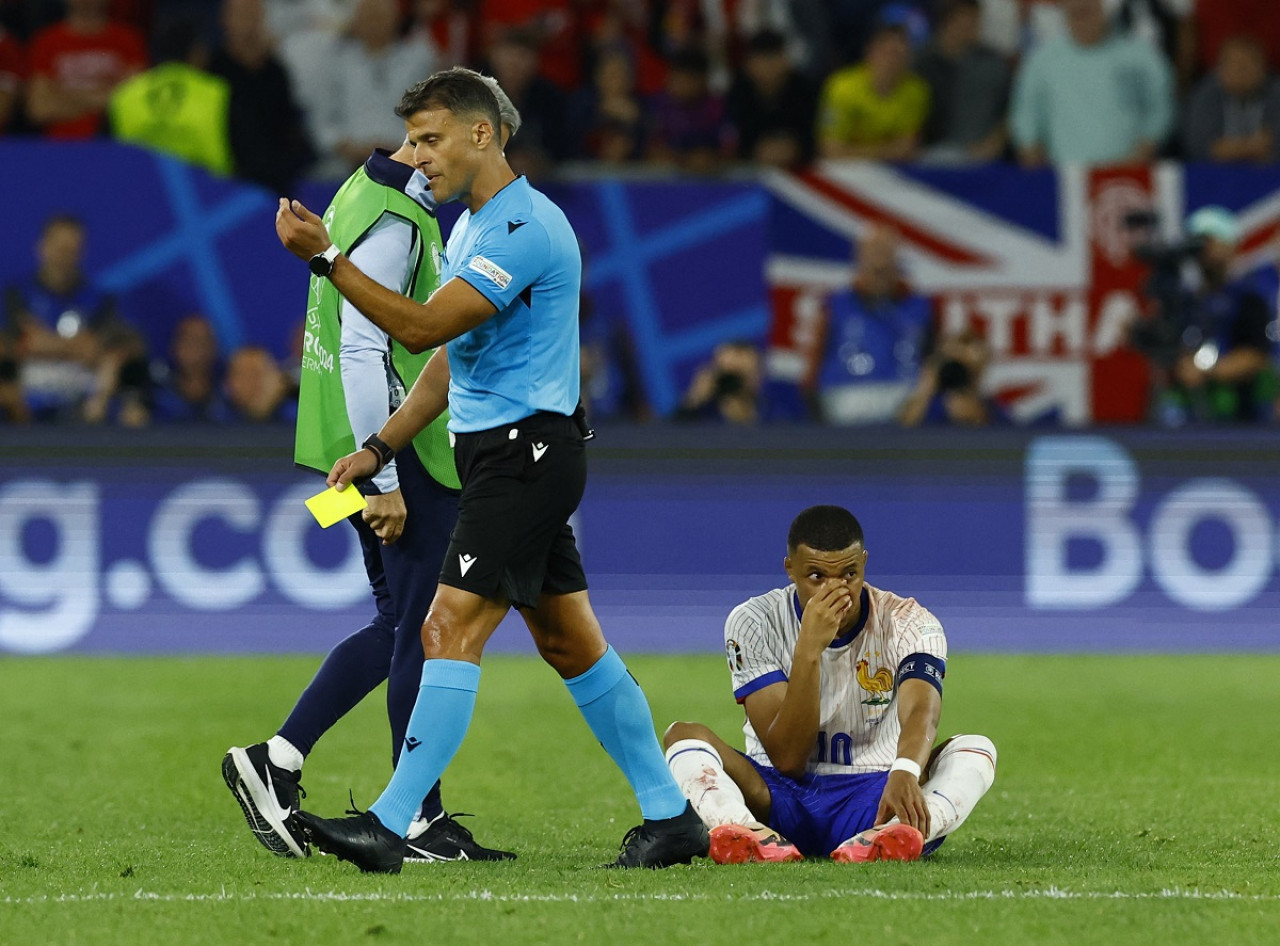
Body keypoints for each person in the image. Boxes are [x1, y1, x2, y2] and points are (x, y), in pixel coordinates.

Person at [273, 67, 709, 872]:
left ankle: (391, 824)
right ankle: (672, 818)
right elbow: (445, 359)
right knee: (572, 645)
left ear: (483, 133)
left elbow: (423, 324)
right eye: (412, 139)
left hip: (528, 456)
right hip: (503, 455)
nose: (417, 157)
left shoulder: (525, 228)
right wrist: (381, 448)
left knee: (444, 627)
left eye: (429, 139)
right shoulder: (472, 229)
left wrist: (329, 257)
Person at [223, 75, 524, 865]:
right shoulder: (398, 216)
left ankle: (276, 761)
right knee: (425, 631)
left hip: (347, 445)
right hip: (396, 452)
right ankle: (415, 819)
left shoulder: (360, 190)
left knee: (399, 626)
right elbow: (364, 348)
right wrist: (385, 482)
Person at [662, 505, 998, 864]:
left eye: (849, 574)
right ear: (790, 569)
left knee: (975, 748)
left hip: (876, 794)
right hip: (776, 795)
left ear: (865, 563)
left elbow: (921, 710)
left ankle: (897, 834)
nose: (837, 590)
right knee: (682, 734)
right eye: (817, 576)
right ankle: (747, 831)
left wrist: (905, 770)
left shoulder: (910, 621)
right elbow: (789, 758)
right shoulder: (753, 621)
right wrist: (808, 649)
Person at [2, 212, 146, 424]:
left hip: (86, 405)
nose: (64, 257)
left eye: (72, 250)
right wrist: (77, 345)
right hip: (25, 404)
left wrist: (43, 342)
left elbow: (100, 349)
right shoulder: (16, 295)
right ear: (42, 248)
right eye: (60, 249)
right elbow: (17, 345)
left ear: (82, 253)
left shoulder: (100, 300)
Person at [1010, 0, 1173, 167]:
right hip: (1065, 177)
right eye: (1075, 14)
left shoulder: (1141, 57)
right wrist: (1038, 169)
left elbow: (1160, 110)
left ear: (1103, 11)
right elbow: (1026, 119)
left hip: (1131, 174)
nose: (1082, 20)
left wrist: (1141, 155)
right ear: (1064, 16)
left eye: (1087, 12)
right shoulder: (1042, 62)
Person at [1163, 206, 1276, 424]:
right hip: (1188, 417)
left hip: (1238, 416)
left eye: (1210, 240)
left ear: (1229, 245)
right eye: (1197, 241)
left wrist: (1206, 371)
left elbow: (1256, 356)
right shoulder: (1185, 301)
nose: (1203, 249)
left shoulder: (1248, 298)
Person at [815, 225, 933, 426]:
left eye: (886, 252)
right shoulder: (835, 305)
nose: (879, 262)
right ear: (859, 257)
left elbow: (931, 360)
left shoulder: (920, 307)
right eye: (873, 252)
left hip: (904, 402)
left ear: (897, 258)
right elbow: (813, 367)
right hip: (844, 399)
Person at [25, 0, 146, 140]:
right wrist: (104, 97)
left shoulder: (128, 40)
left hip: (113, 143)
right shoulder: (45, 42)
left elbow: (132, 101)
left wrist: (63, 96)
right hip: (60, 145)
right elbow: (39, 109)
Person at [816, 21, 929, 162]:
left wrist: (855, 150)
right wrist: (887, 150)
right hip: (845, 170)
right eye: (887, 53)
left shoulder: (916, 91)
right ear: (870, 52)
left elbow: (907, 149)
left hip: (893, 170)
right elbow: (831, 150)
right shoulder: (841, 88)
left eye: (899, 55)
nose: (891, 62)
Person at [914, 0, 1009, 164]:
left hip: (984, 157)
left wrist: (994, 143)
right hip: (930, 156)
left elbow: (1012, 110)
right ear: (947, 23)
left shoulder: (993, 64)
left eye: (975, 20)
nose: (972, 27)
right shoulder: (921, 64)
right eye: (965, 21)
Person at [1182, 34, 1280, 165]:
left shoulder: (1276, 93)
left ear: (1263, 67)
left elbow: (1274, 146)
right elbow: (1198, 145)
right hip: (1213, 176)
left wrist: (1230, 149)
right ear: (1220, 68)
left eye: (1247, 65)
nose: (1241, 72)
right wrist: (1251, 147)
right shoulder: (1205, 93)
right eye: (1234, 64)